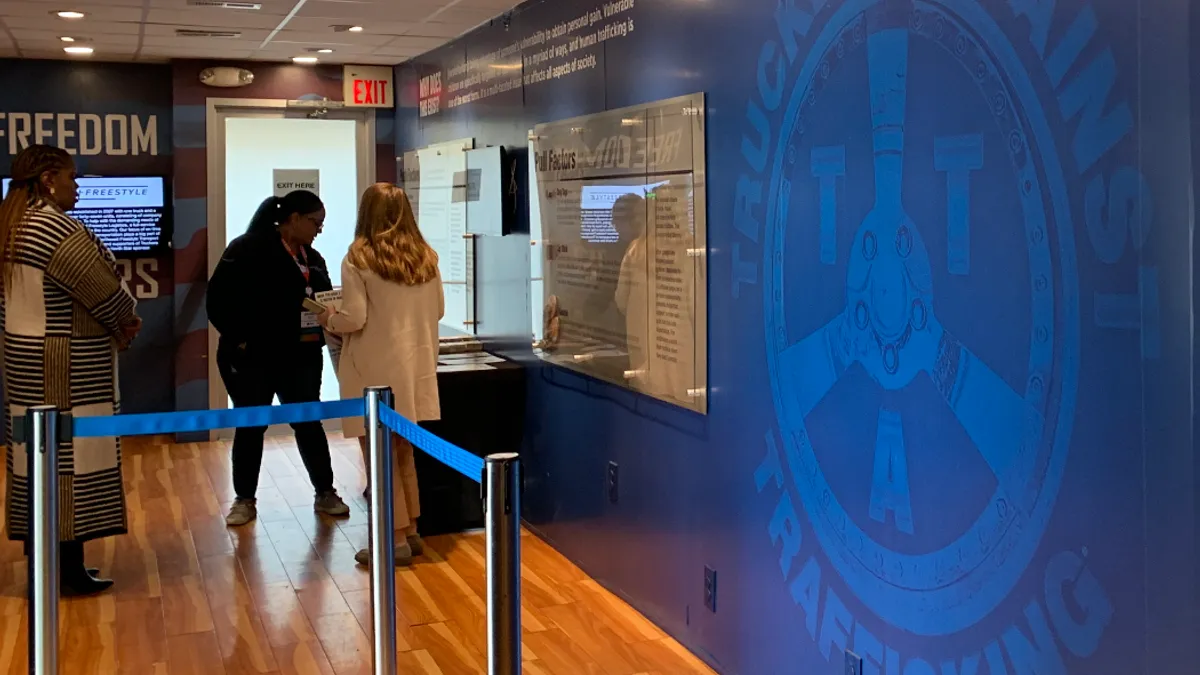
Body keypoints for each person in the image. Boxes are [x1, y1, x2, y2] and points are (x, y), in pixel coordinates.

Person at [1, 144, 142, 596]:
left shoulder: (13, 224)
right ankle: (66, 570)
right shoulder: (51, 227)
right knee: (69, 470)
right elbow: (104, 290)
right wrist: (127, 318)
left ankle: (46, 568)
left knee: (35, 467)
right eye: (71, 177)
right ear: (47, 180)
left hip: (27, 366)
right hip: (64, 368)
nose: (77, 186)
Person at [207, 190, 350, 526]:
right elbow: (217, 301)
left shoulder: (313, 258)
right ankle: (244, 499)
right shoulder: (245, 249)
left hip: (301, 356)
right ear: (294, 219)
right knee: (251, 425)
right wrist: (241, 341)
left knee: (308, 423)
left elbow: (325, 299)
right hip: (252, 358)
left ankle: (325, 491)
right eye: (315, 222)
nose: (319, 229)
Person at [319, 183, 443, 566]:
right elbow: (437, 310)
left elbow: (355, 318)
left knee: (378, 456)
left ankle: (393, 542)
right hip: (417, 366)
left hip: (372, 367)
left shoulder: (359, 257)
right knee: (403, 451)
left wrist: (328, 317)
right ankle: (411, 531)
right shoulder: (426, 257)